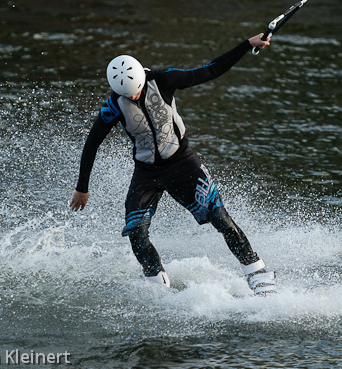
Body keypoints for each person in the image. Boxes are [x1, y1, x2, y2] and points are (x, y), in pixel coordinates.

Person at [70, 33, 276, 295]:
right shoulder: (112, 105)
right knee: (136, 233)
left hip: (182, 163)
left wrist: (247, 45)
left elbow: (211, 69)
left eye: (135, 93)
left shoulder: (164, 79)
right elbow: (91, 144)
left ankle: (257, 273)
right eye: (127, 96)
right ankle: (158, 289)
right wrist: (82, 188)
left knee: (219, 217)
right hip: (146, 173)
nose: (133, 98)